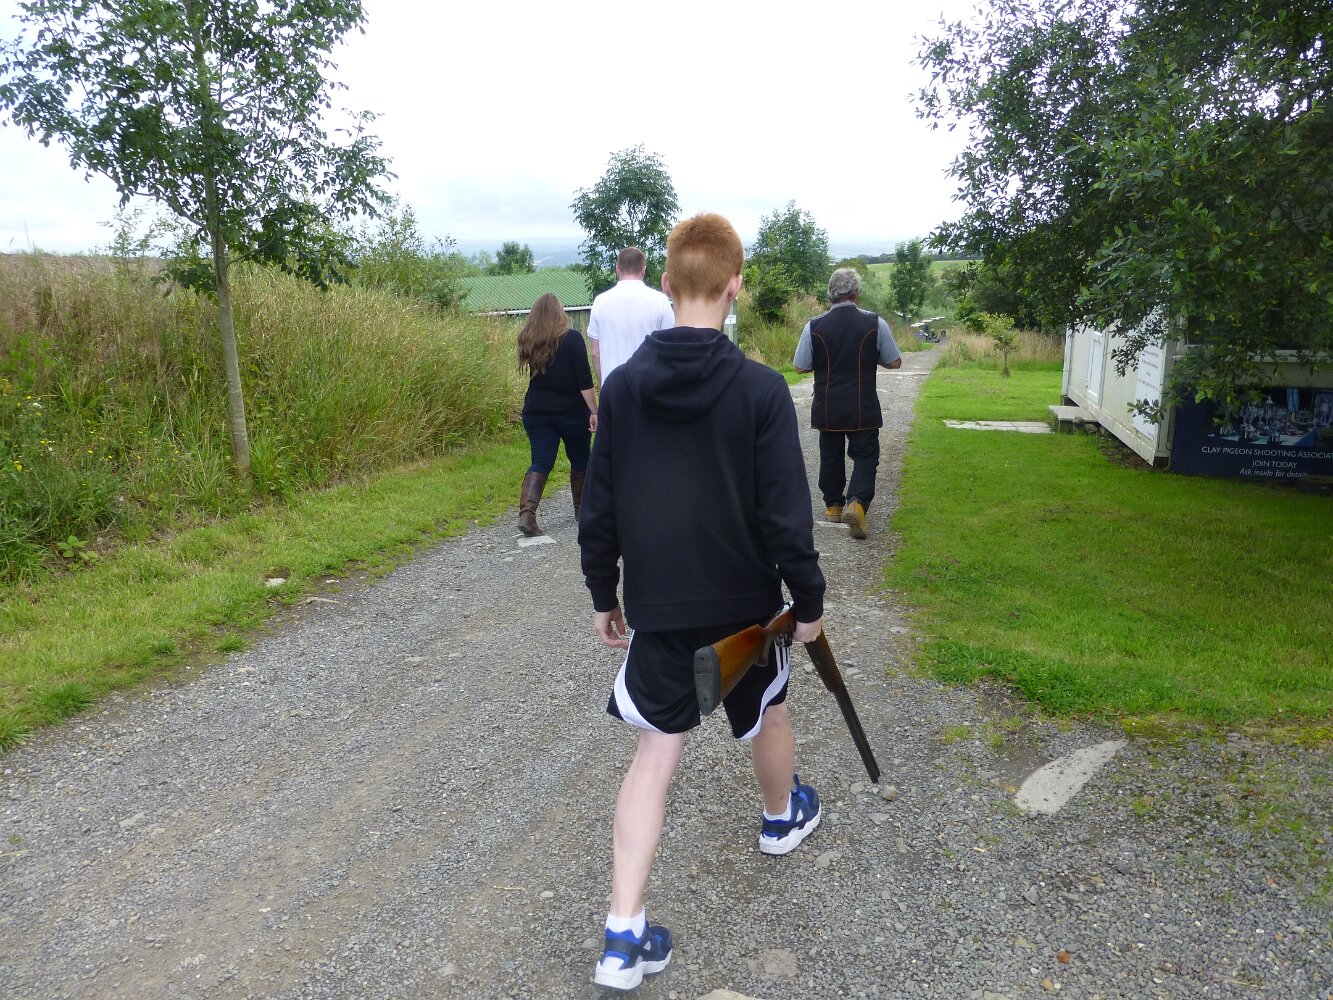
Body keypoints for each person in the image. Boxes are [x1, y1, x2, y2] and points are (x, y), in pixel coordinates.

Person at [578, 214, 826, 991]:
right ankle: (780, 817)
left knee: (655, 752)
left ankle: (623, 936)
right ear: (734, 286)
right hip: (745, 612)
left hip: (660, 608)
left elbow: (599, 507)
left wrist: (602, 591)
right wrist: (808, 600)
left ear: (667, 285)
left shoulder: (623, 389)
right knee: (769, 712)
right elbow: (785, 514)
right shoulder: (759, 389)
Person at [792, 267, 902, 539]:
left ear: (831, 294)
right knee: (866, 456)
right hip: (863, 407)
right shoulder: (875, 323)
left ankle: (833, 506)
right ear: (857, 293)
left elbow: (800, 367)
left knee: (830, 455)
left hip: (827, 407)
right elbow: (894, 362)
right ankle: (858, 503)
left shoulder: (814, 326)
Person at [515, 293, 597, 536]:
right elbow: (584, 381)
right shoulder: (572, 339)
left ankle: (527, 514)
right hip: (572, 413)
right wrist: (594, 410)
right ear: (560, 313)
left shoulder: (529, 339)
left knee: (541, 461)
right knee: (580, 460)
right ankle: (582, 510)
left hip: (537, 412)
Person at [587, 247, 675, 385]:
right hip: (649, 387)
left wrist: (605, 384)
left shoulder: (600, 302)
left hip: (613, 386)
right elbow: (670, 348)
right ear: (643, 270)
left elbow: (595, 353)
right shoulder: (660, 301)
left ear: (617, 269)